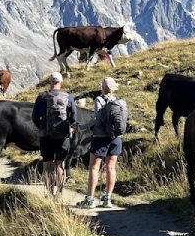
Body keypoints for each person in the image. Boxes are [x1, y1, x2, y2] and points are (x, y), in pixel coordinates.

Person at [77, 76, 128, 209]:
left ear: (102, 87)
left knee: (94, 168)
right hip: (116, 138)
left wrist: (82, 127)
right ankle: (108, 199)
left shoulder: (99, 99)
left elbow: (97, 119)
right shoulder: (120, 101)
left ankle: (90, 199)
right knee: (111, 168)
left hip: (100, 138)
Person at [31, 72, 77, 197]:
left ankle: (50, 194)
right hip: (63, 136)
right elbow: (73, 118)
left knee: (47, 165)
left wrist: (41, 127)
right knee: (59, 165)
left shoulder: (41, 97)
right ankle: (60, 193)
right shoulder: (68, 97)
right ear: (61, 82)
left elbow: (34, 117)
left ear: (50, 82)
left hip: (46, 136)